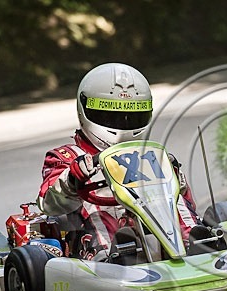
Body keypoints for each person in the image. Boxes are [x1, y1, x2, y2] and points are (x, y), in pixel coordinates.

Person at [38, 62, 201, 261]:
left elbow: (187, 199)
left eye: (132, 116)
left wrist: (173, 177)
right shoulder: (65, 157)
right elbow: (49, 204)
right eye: (111, 116)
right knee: (98, 214)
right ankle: (111, 257)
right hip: (94, 242)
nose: (123, 124)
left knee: (174, 202)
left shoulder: (150, 154)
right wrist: (73, 179)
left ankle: (198, 243)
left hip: (152, 226)